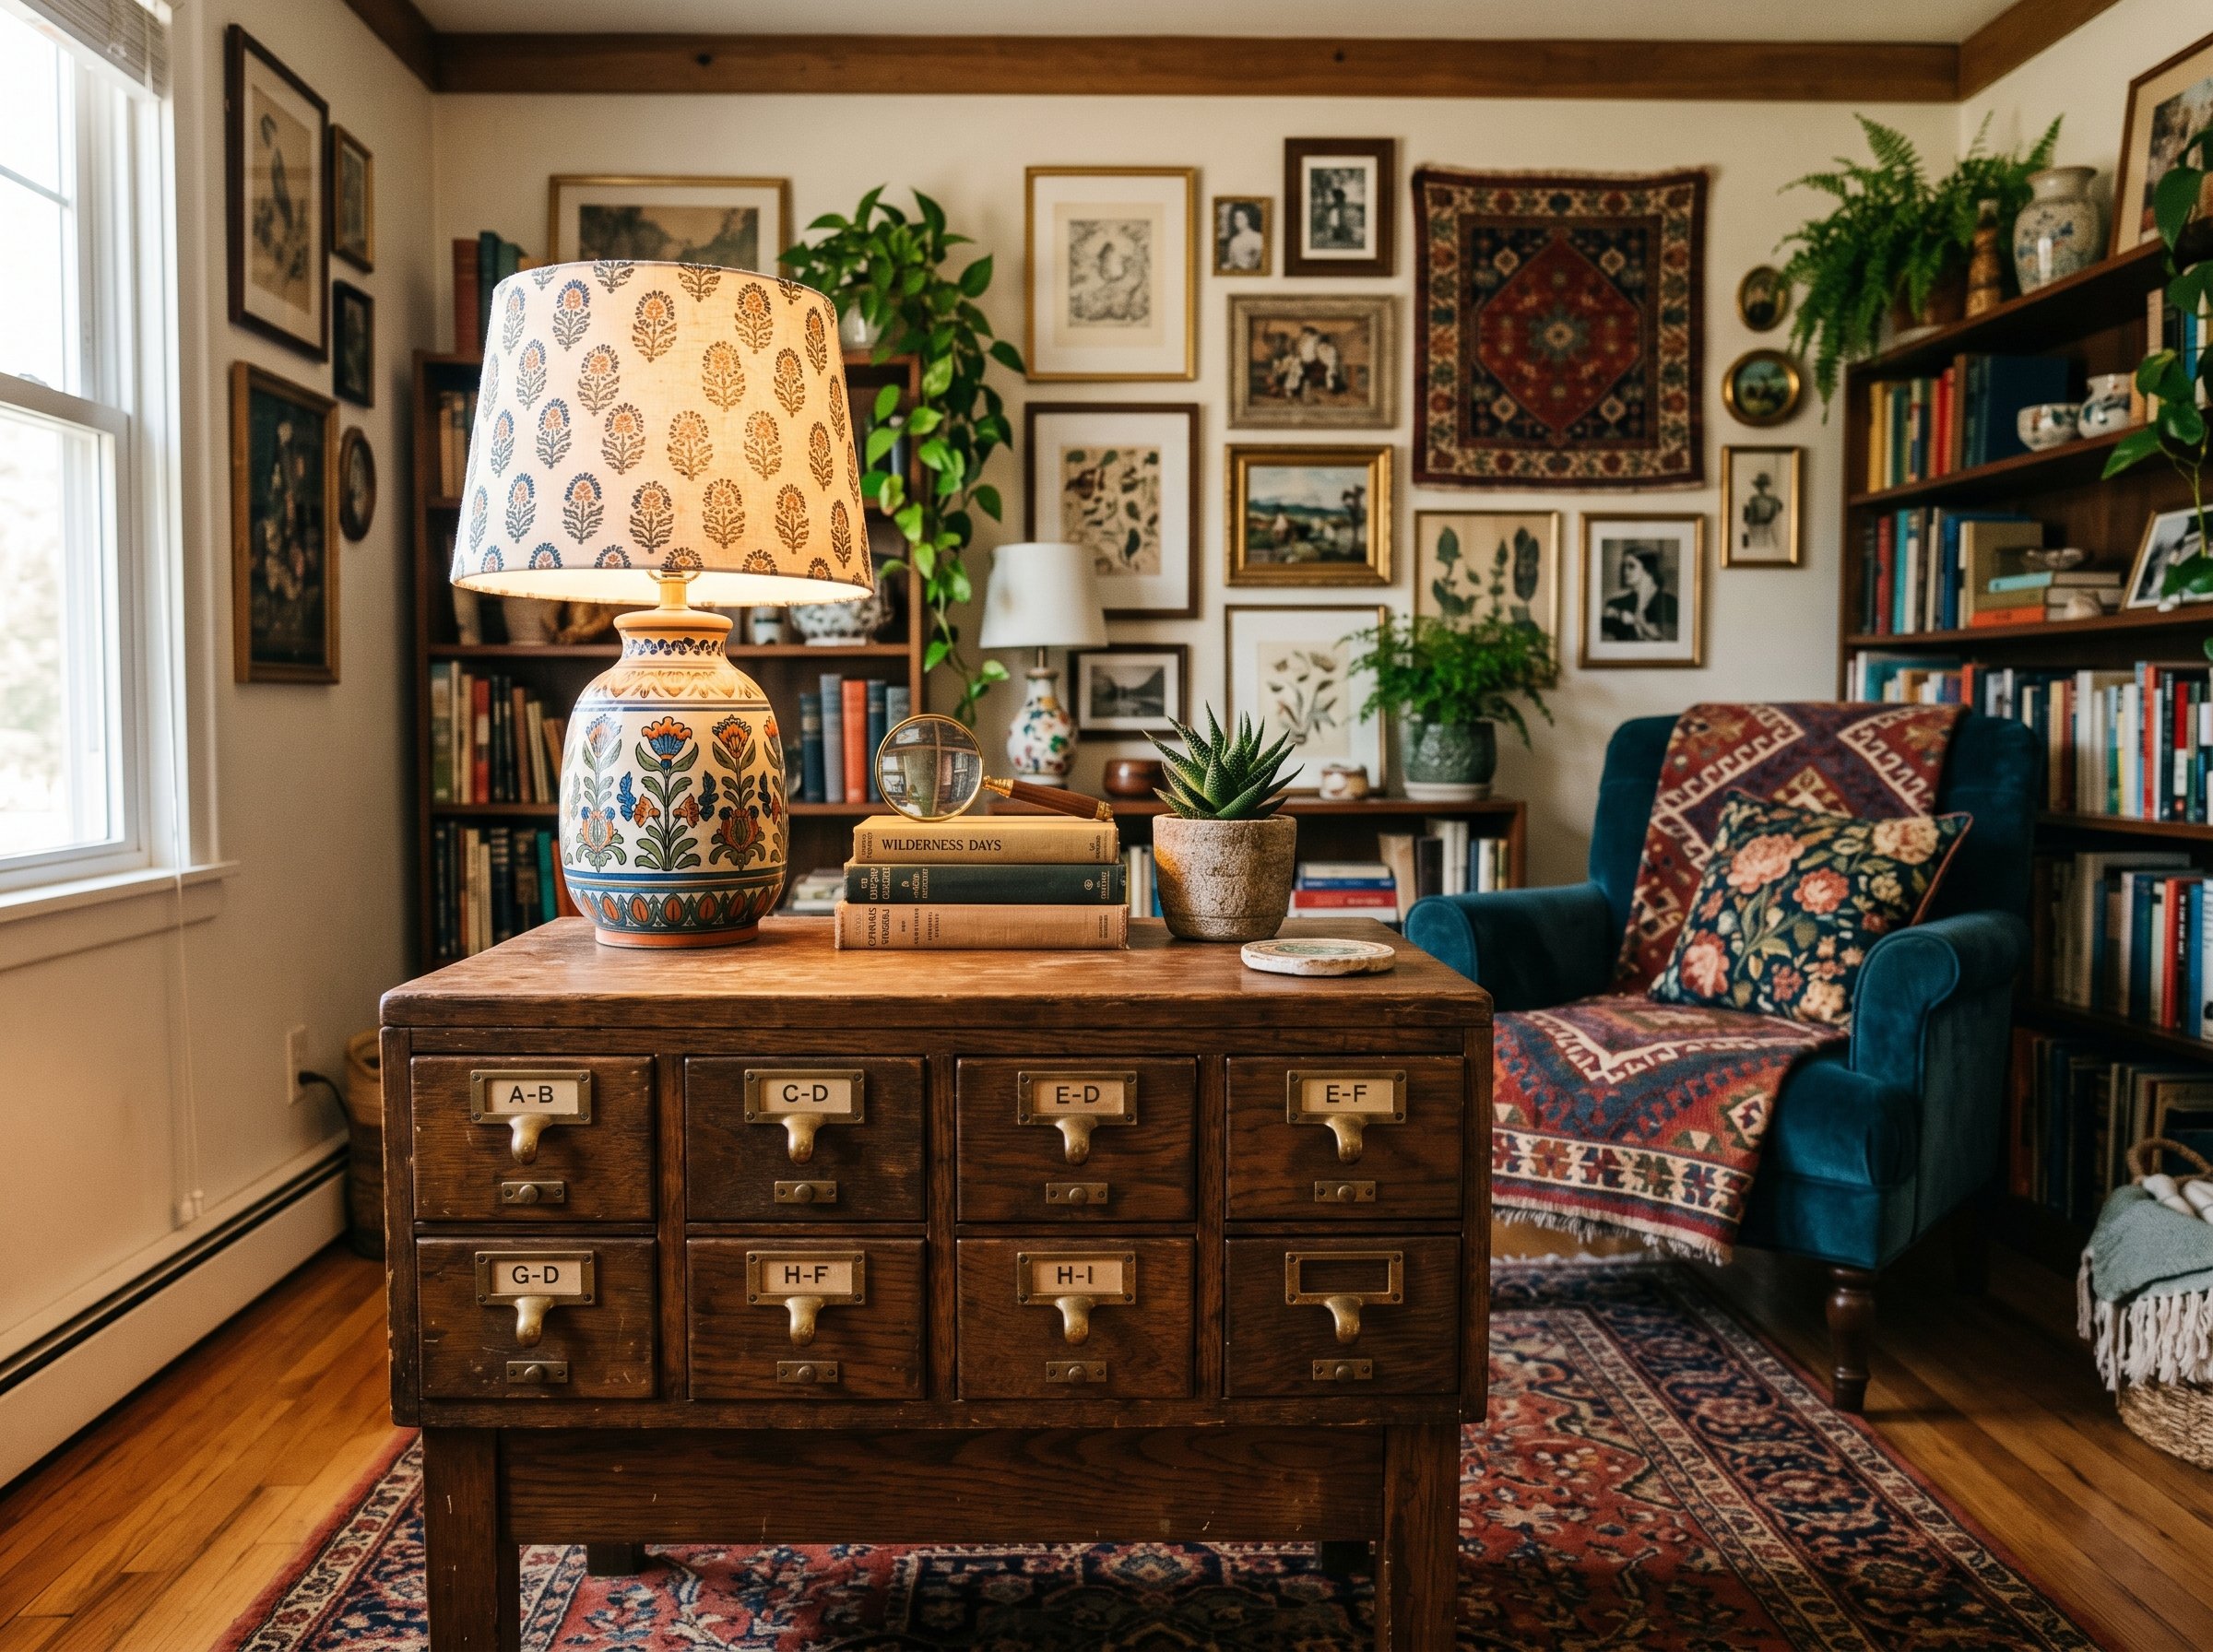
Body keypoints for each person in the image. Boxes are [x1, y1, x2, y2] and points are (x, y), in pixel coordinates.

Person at [1601, 547, 1676, 642]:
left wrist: (1638, 622)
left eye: (1631, 566)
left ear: (1648, 569)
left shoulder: (1670, 602)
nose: (1625, 571)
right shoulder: (1616, 604)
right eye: (1624, 566)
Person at [1739, 472, 1782, 554]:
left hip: (1757, 529)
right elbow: (1774, 514)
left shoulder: (1754, 499)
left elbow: (1752, 518)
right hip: (1768, 528)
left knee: (1756, 550)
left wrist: (1746, 515)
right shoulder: (1773, 499)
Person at [1222, 204, 1264, 272]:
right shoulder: (1234, 240)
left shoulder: (1258, 237)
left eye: (1241, 218)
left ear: (1248, 219)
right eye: (1236, 218)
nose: (1237, 221)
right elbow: (1231, 262)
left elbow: (1254, 265)